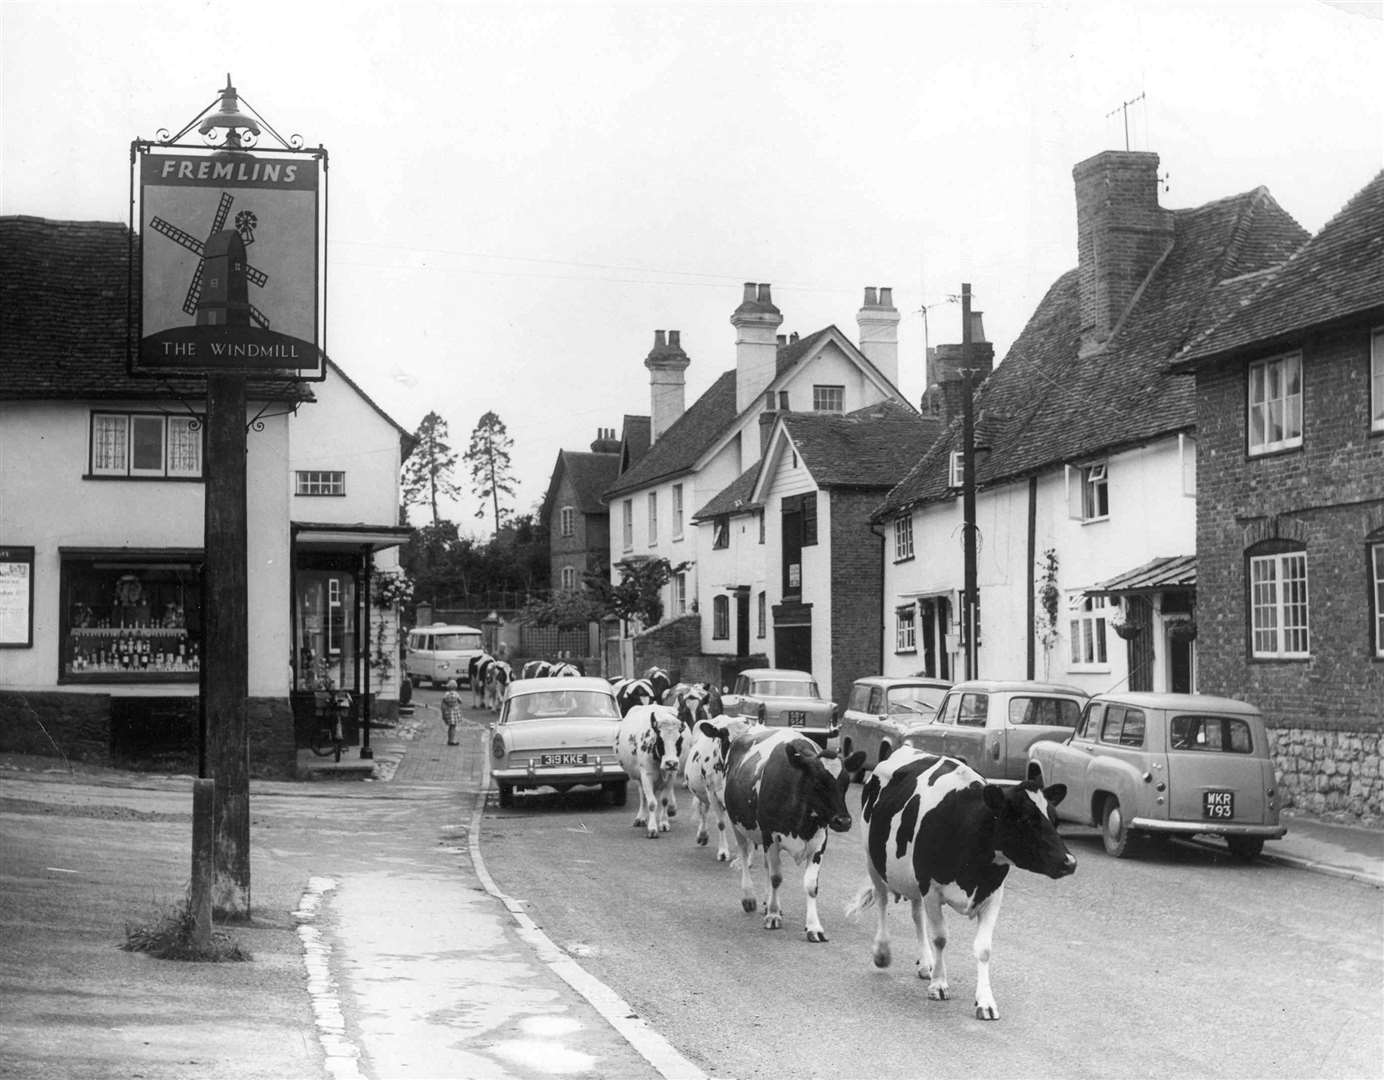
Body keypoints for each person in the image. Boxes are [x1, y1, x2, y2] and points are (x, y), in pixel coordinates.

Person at [440, 679, 463, 746]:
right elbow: (460, 701)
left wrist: (443, 712)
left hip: (448, 712)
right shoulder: (456, 694)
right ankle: (452, 740)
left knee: (450, 727)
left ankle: (449, 739)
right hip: (454, 713)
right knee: (453, 727)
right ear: (455, 687)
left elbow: (443, 703)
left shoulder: (446, 694)